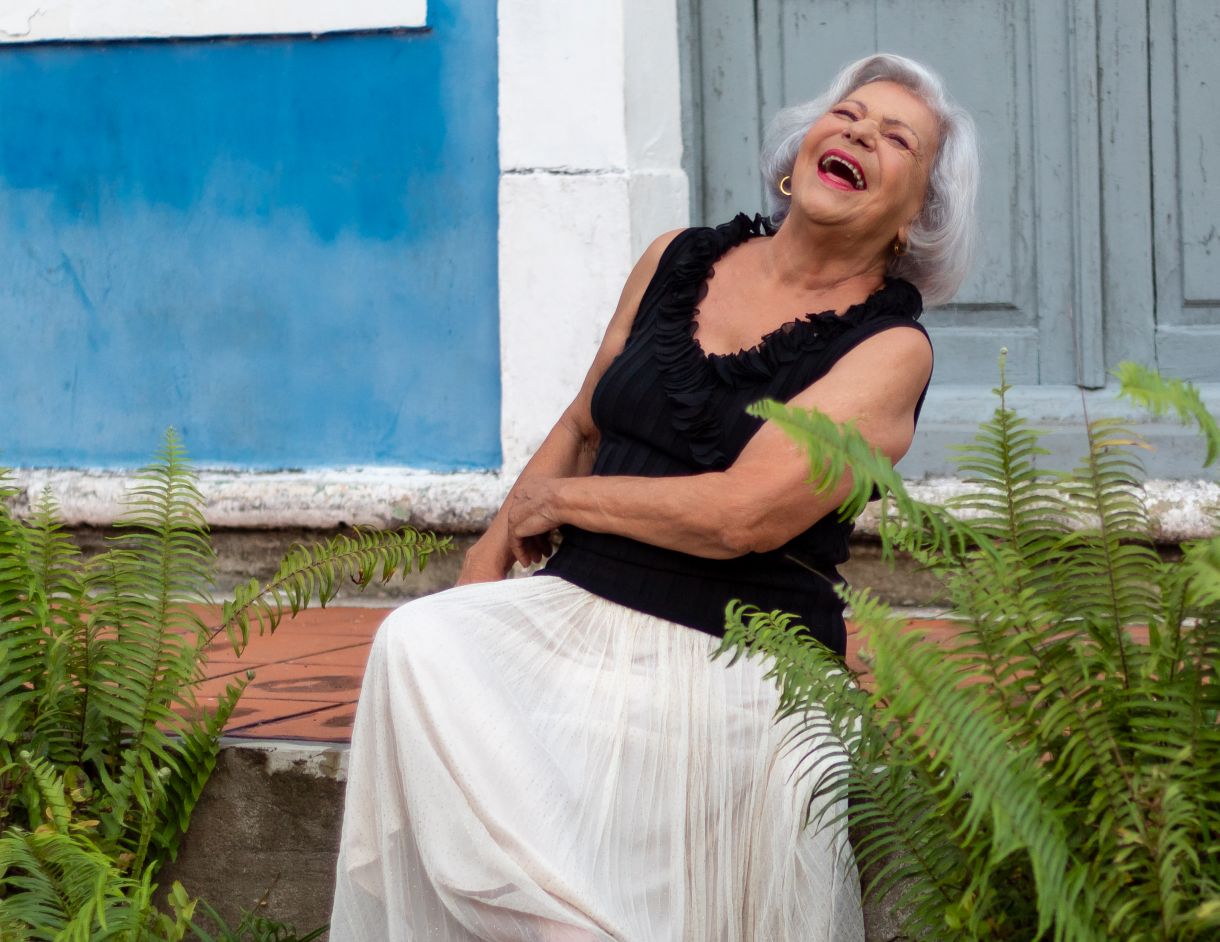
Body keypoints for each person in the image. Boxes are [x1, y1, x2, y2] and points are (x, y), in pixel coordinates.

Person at [329, 52, 978, 941]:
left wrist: (562, 507)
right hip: (581, 601)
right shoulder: (676, 258)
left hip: (739, 646)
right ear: (800, 153)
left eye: (897, 137)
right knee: (418, 643)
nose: (862, 131)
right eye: (850, 115)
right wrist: (488, 550)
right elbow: (584, 419)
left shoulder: (890, 350)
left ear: (917, 217)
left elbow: (740, 515)